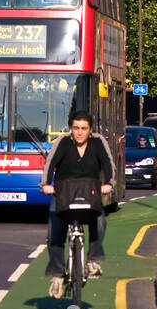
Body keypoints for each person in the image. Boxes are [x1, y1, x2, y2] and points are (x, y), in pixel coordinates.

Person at [39, 111, 113, 297]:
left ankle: (93, 261)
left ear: (90, 130)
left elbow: (108, 164)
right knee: (55, 230)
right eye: (76, 128)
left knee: (100, 221)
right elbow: (49, 164)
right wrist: (46, 185)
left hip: (90, 193)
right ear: (71, 128)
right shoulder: (63, 142)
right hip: (63, 192)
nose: (79, 132)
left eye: (84, 129)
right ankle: (57, 275)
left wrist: (109, 184)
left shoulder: (98, 142)